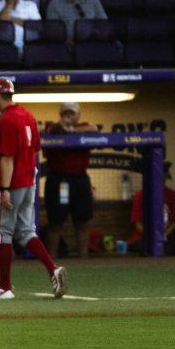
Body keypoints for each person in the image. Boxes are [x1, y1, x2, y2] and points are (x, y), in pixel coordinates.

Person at [0, 78, 67, 300]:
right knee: (26, 231)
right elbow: (36, 148)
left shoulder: (7, 120)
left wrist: (5, 188)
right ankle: (52, 268)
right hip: (29, 181)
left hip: (11, 183)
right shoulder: (27, 115)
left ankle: (5, 286)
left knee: (1, 232)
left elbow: (7, 158)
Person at [42, 102, 97, 259]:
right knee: (56, 223)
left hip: (80, 181)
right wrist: (62, 126)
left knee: (83, 221)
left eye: (72, 113)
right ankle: (51, 262)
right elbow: (48, 131)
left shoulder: (85, 127)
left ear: (78, 115)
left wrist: (72, 130)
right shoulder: (52, 128)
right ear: (60, 115)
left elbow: (94, 128)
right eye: (65, 113)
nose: (69, 116)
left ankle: (83, 260)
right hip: (59, 181)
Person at [129, 161, 175, 254]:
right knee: (145, 247)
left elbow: (174, 222)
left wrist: (163, 236)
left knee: (169, 247)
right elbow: (137, 223)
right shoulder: (139, 195)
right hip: (143, 237)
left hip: (165, 237)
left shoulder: (174, 196)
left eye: (163, 176)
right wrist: (151, 236)